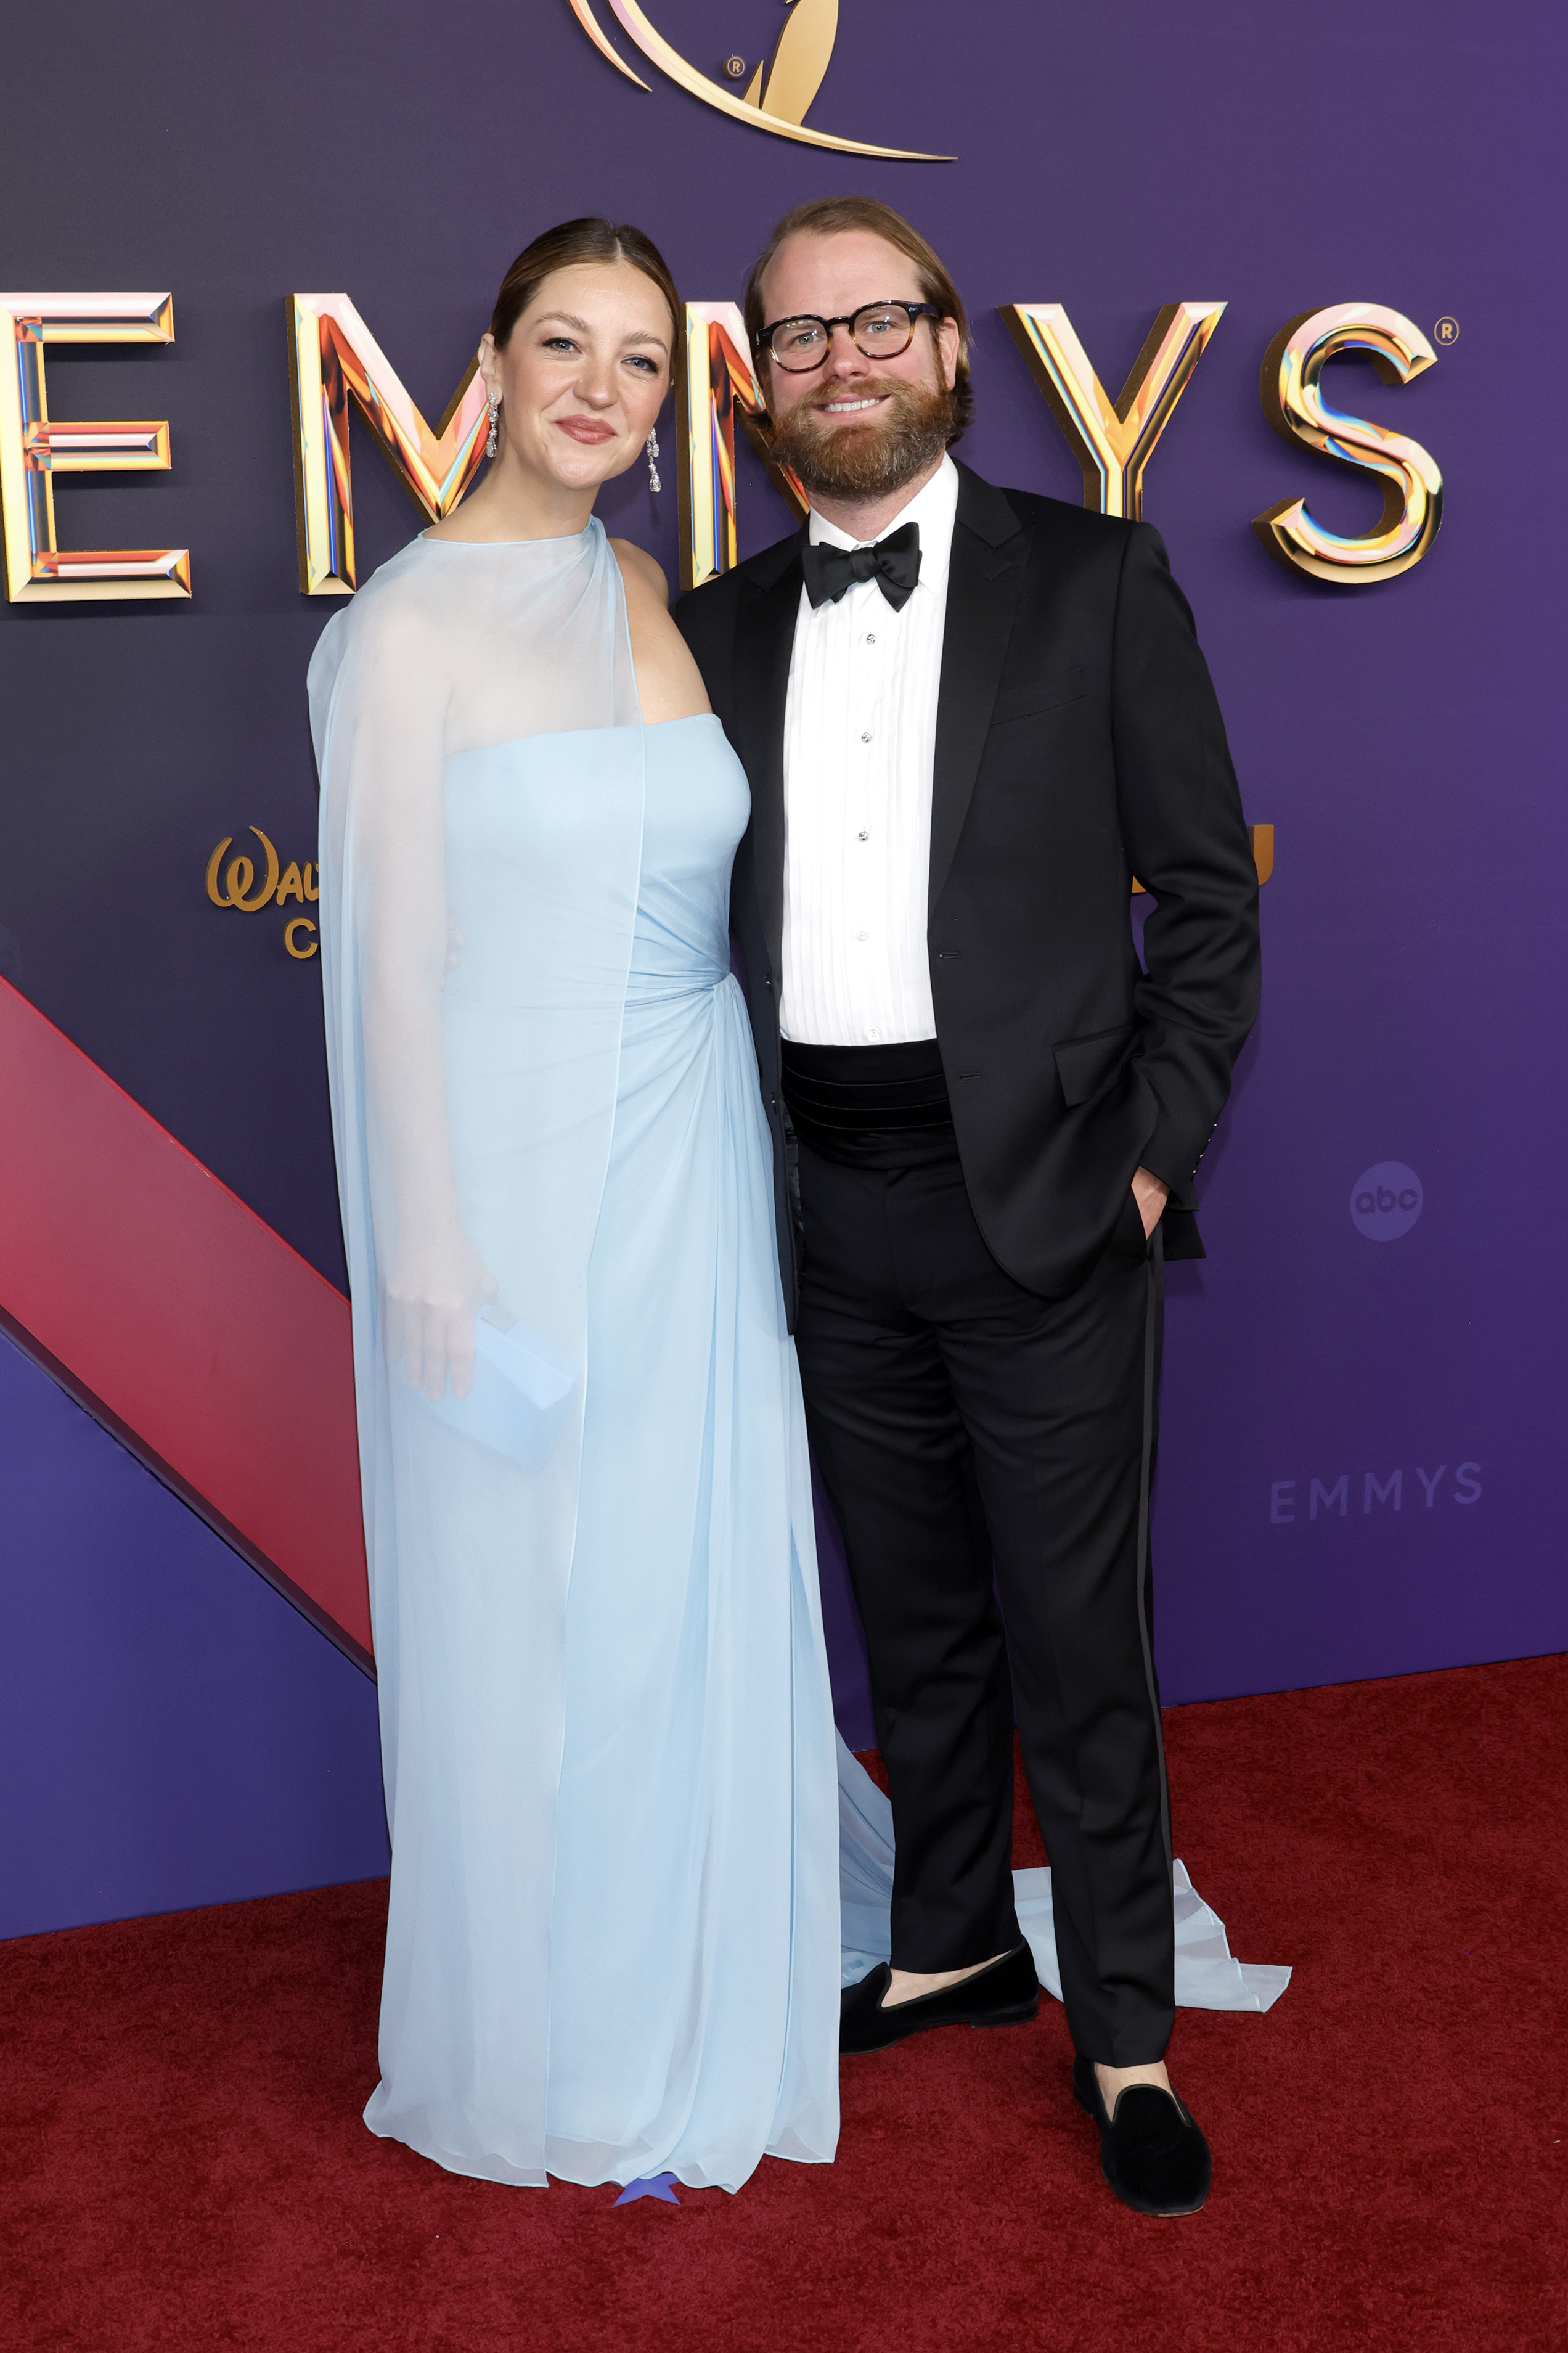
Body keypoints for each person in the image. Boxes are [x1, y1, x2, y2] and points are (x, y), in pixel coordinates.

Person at [676, 195, 1262, 2218]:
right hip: (823, 1213)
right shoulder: (713, 628)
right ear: (758, 383)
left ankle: (1126, 2032)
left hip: (1049, 1204)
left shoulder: (1097, 580)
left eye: (876, 324)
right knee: (911, 1617)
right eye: (797, 336)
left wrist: (1149, 1155)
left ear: (947, 347)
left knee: (1079, 1641)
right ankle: (949, 1940)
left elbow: (1211, 901)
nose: (839, 361)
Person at [308, 218, 841, 2194]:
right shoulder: (404, 631)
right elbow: (388, 966)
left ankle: (681, 1984)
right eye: (563, 345)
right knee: (532, 1609)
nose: (600, 389)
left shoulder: (637, 586)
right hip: (512, 1173)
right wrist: (428, 1237)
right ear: (491, 365)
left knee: (668, 1594)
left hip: (696, 1154)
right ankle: (554, 2042)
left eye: (638, 358)